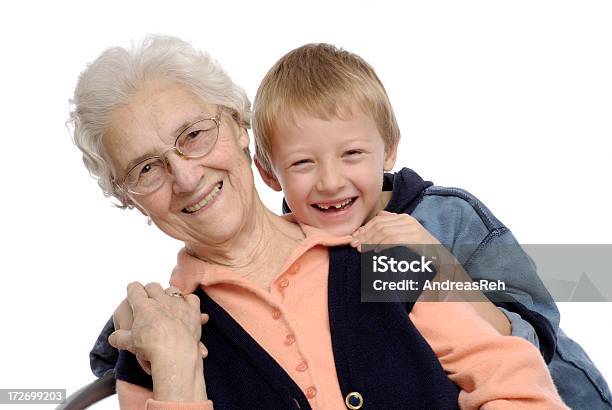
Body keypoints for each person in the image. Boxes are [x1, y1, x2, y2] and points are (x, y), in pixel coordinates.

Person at [73, 35, 567, 409]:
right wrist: (177, 377)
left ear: (238, 128)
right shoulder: (150, 349)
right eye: (145, 169)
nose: (184, 176)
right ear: (127, 198)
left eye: (195, 135)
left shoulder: (384, 257)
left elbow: (515, 378)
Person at [251, 43, 612, 409]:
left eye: (352, 154)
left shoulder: (449, 217)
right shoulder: (290, 255)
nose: (330, 181)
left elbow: (530, 337)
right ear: (268, 173)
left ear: (389, 149)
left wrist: (438, 266)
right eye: (302, 163)